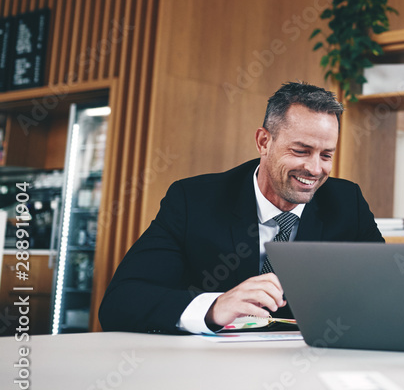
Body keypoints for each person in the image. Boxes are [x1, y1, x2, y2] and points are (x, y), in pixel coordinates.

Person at [99, 82, 383, 334]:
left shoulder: (348, 203)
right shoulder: (194, 200)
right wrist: (214, 307)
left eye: (326, 155)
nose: (314, 168)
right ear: (264, 141)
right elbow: (121, 302)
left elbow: (386, 291)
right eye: (301, 151)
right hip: (212, 372)